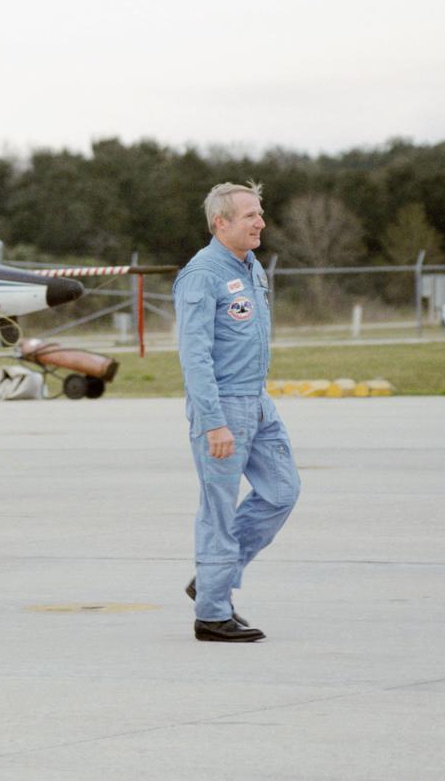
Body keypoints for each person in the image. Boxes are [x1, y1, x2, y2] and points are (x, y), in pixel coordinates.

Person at [172, 182, 301, 643]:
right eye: (250, 215)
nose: (260, 223)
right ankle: (211, 612)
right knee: (219, 510)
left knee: (283, 492)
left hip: (257, 402)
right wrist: (214, 423)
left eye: (260, 214)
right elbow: (195, 357)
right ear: (220, 222)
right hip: (222, 406)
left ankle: (214, 578)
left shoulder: (252, 268)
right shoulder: (201, 275)